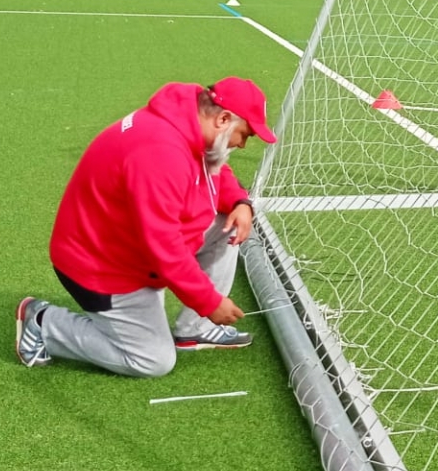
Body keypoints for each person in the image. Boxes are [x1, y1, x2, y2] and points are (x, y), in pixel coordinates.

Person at [14, 78, 276, 377]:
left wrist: (240, 201)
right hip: (100, 268)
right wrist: (209, 301)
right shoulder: (160, 152)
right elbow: (163, 245)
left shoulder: (189, 122)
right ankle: (44, 323)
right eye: (246, 135)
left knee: (230, 225)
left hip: (126, 247)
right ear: (224, 119)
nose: (242, 144)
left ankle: (196, 329)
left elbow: (215, 166)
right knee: (152, 361)